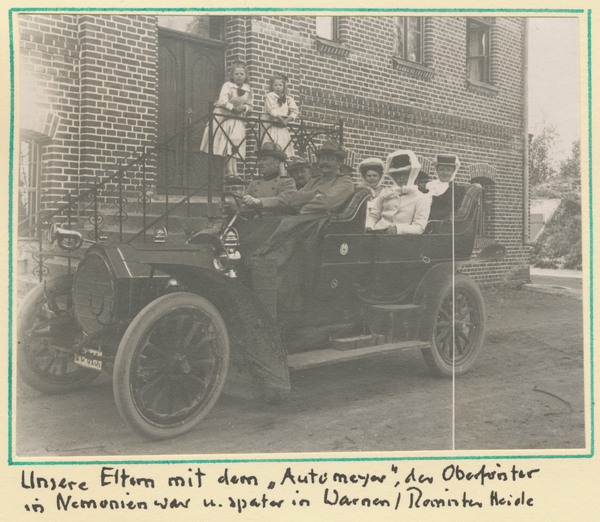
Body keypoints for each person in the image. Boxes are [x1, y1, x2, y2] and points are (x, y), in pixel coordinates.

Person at [200, 61, 253, 183]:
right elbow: (222, 100)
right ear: (232, 75)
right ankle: (229, 171)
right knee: (227, 143)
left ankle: (235, 171)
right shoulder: (228, 85)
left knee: (235, 143)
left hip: (237, 119)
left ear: (245, 75)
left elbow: (250, 105)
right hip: (225, 117)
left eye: (241, 74)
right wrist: (233, 108)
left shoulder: (248, 89)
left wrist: (244, 108)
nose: (239, 76)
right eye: (236, 74)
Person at [365, 150, 431, 234]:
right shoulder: (386, 194)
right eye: (398, 175)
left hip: (402, 240)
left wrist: (398, 229)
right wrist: (369, 227)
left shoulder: (422, 198)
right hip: (378, 235)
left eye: (405, 174)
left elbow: (419, 227)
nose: (401, 178)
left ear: (411, 175)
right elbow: (373, 215)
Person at [288, 140, 354, 215]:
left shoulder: (345, 181)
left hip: (323, 223)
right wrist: (315, 194)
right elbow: (293, 200)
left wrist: (303, 210)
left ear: (339, 163)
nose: (324, 162)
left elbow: (327, 202)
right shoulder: (313, 181)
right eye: (322, 159)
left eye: (330, 159)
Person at [262, 73, 299, 172]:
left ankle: (282, 171)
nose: (278, 87)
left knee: (282, 149)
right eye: (275, 85)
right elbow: (271, 110)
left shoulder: (288, 98)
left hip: (282, 128)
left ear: (284, 86)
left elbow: (295, 111)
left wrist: (287, 120)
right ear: (272, 86)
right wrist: (281, 119)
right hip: (272, 126)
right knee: (272, 149)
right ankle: (272, 171)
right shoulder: (270, 96)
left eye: (280, 85)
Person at [242, 142, 296, 209]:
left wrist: (260, 201)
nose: (260, 163)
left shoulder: (286, 182)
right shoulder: (254, 183)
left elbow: (285, 200)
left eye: (265, 159)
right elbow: (243, 201)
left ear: (276, 163)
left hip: (275, 217)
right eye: (259, 159)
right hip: (255, 216)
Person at [426, 153, 467, 221]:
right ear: (437, 171)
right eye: (441, 169)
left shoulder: (456, 190)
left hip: (439, 224)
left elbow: (448, 211)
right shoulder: (429, 186)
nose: (445, 173)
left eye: (448, 170)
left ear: (453, 172)